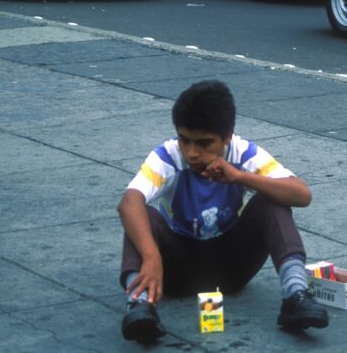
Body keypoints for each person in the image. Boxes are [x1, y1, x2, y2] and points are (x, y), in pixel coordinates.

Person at [117, 80, 328, 343]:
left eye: (204, 143)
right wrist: (151, 256)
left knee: (271, 201)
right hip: (176, 270)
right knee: (141, 216)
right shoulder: (169, 156)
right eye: (185, 140)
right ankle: (139, 305)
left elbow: (301, 194)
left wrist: (241, 177)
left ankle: (296, 295)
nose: (192, 153)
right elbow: (128, 202)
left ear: (227, 136)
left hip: (231, 269)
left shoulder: (243, 153)